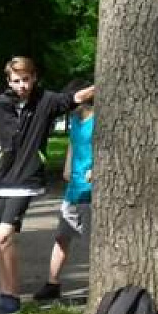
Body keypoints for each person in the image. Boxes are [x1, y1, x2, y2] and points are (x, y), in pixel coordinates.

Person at [0, 56, 95, 314]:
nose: (21, 85)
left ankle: (12, 300)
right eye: (16, 81)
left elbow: (76, 97)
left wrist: (106, 81)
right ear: (8, 81)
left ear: (34, 78)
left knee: (4, 235)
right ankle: (7, 296)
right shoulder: (0, 102)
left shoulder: (46, 101)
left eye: (26, 79)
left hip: (24, 181)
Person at [33, 81, 95, 301]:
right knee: (62, 235)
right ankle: (53, 283)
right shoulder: (76, 121)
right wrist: (67, 167)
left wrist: (97, 169)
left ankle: (97, 285)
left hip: (91, 190)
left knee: (94, 241)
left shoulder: (99, 120)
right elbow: (72, 144)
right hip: (74, 188)